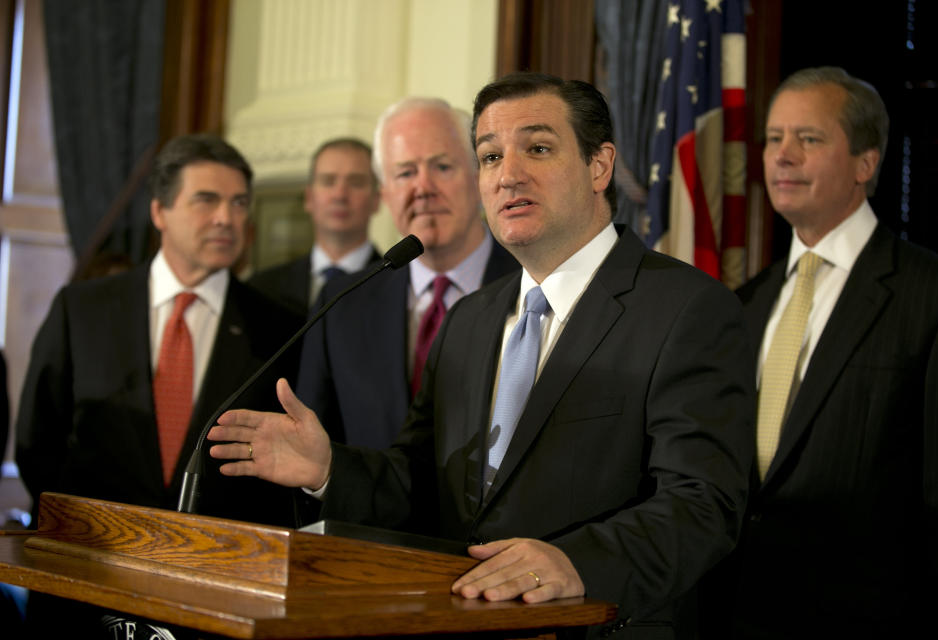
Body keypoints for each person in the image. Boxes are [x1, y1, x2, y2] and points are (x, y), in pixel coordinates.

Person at [208, 73, 754, 638]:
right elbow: (422, 483)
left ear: (599, 166)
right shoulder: (470, 320)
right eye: (490, 156)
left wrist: (577, 564)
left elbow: (703, 503)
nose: (508, 174)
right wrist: (329, 470)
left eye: (538, 148)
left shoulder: (687, 308)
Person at [701, 67, 938, 638]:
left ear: (866, 163)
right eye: (773, 139)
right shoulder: (744, 305)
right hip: (738, 615)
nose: (782, 156)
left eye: (808, 139)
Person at [15, 134, 302, 528]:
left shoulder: (281, 326)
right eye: (206, 199)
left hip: (216, 566)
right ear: (159, 212)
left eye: (239, 203)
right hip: (88, 555)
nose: (226, 217)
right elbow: (37, 442)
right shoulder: (82, 309)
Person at [293, 98, 518, 449]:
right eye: (405, 173)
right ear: (384, 193)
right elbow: (315, 451)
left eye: (442, 167)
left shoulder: (535, 284)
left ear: (479, 176)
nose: (423, 188)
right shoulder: (341, 305)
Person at [248, 138, 382, 316]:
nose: (340, 195)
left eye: (355, 183)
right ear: (309, 198)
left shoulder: (404, 286)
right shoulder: (260, 289)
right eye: (328, 181)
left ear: (376, 200)